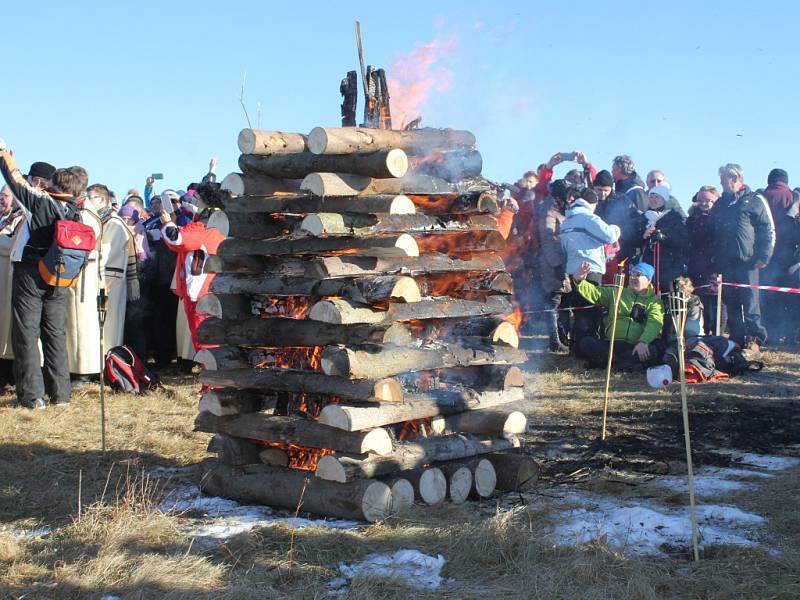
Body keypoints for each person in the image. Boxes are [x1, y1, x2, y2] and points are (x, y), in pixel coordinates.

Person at [0, 140, 87, 408]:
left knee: (26, 333)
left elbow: (15, 182)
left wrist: (3, 155)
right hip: (61, 277)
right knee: (54, 334)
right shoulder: (76, 212)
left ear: (55, 184)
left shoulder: (42, 202)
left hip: (31, 273)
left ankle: (31, 397)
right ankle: (61, 394)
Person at [710, 163, 775, 352]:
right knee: (731, 303)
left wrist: (764, 254)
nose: (721, 183)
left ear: (735, 178)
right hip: (725, 261)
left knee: (750, 302)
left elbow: (767, 228)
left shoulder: (755, 199)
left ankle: (756, 339)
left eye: (723, 179)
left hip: (748, 261)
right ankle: (737, 339)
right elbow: (713, 231)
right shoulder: (721, 204)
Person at [572, 261, 665, 371]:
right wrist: (579, 280)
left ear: (648, 280)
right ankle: (620, 364)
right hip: (611, 344)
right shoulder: (617, 292)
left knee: (653, 351)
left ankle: (609, 363)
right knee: (585, 342)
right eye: (632, 273)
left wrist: (643, 342)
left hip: (634, 346)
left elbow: (654, 323)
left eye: (638, 274)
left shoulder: (654, 302)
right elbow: (595, 293)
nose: (633, 277)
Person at [560, 188, 621, 347]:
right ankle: (588, 346)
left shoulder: (567, 221)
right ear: (592, 203)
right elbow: (609, 235)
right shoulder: (589, 218)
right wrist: (616, 228)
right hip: (590, 269)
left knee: (579, 310)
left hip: (572, 269)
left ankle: (576, 345)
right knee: (590, 310)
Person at [536, 180, 574, 352]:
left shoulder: (560, 209)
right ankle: (554, 341)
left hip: (562, 260)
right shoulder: (549, 211)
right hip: (552, 263)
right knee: (554, 302)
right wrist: (557, 265)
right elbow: (548, 241)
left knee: (563, 301)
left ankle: (563, 338)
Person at [761, 168, 797, 343]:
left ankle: (770, 334)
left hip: (765, 255)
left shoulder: (762, 196)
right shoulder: (793, 198)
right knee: (789, 296)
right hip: (789, 255)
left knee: (767, 295)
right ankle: (789, 334)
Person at [686, 185, 726, 335]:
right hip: (696, 266)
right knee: (700, 302)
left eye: (708, 200)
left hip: (715, 266)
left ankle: (717, 335)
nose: (704, 203)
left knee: (716, 304)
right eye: (701, 200)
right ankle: (702, 334)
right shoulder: (692, 219)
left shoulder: (721, 218)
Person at [636, 185, 688, 294]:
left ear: (664, 199)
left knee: (666, 294)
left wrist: (664, 237)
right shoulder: (643, 217)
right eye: (651, 197)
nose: (653, 200)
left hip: (669, 265)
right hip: (648, 263)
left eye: (657, 197)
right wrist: (643, 236)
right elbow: (632, 239)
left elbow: (682, 239)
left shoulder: (674, 217)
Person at [595, 168, 641, 268]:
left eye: (606, 190)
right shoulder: (590, 202)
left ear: (611, 188)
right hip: (596, 247)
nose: (603, 193)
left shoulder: (622, 199)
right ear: (594, 188)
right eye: (599, 190)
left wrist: (622, 234)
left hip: (620, 248)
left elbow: (635, 220)